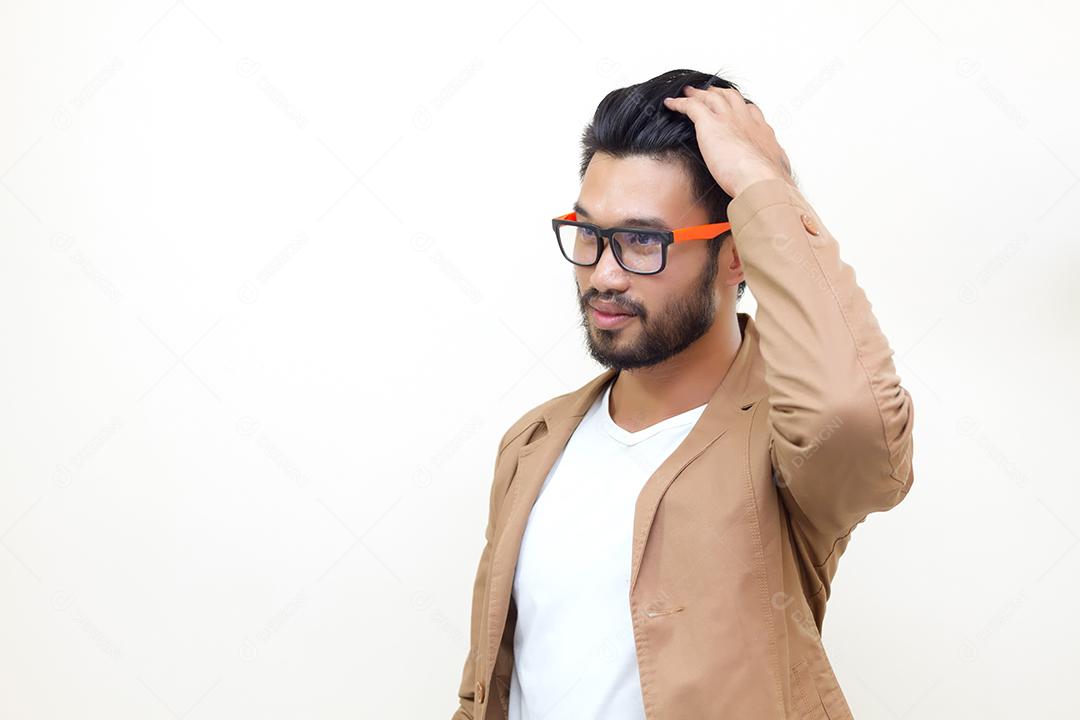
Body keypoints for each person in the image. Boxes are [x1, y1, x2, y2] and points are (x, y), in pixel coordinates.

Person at [451, 68, 915, 720]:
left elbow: (854, 416)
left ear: (736, 256)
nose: (604, 274)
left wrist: (765, 188)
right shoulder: (534, 444)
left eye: (643, 240)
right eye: (590, 233)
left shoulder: (784, 448)